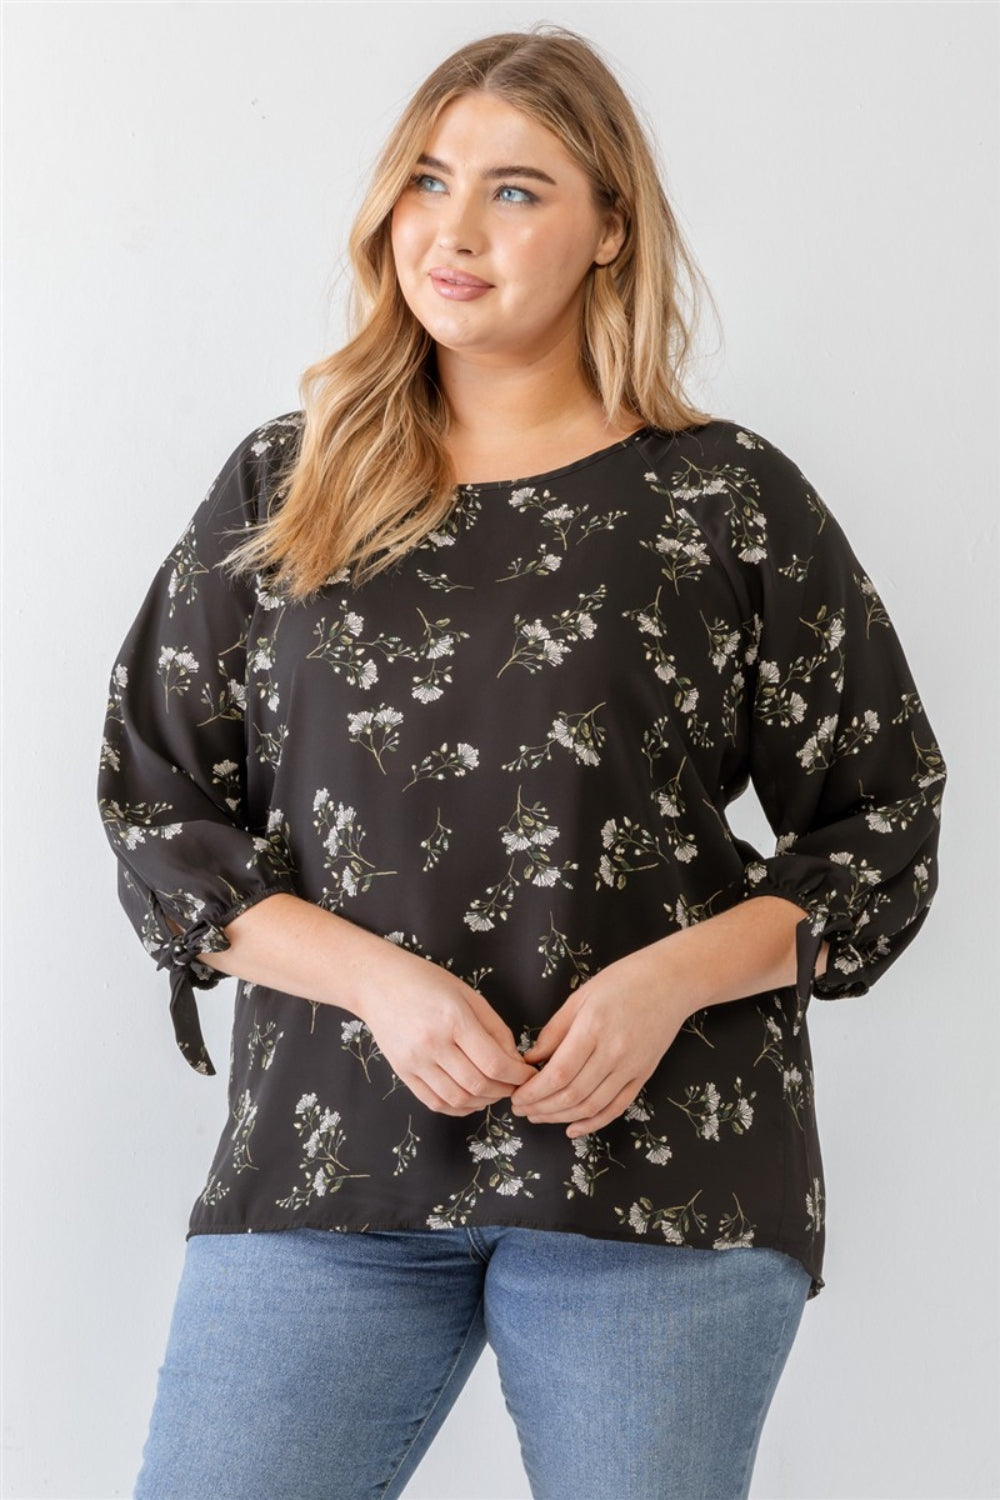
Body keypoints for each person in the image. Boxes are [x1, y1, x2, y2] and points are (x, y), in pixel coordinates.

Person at [97, 24, 948, 1500]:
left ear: (611, 226)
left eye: (514, 190)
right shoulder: (284, 486)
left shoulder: (723, 499)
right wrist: (378, 981)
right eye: (428, 180)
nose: (454, 227)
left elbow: (882, 824)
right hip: (329, 1167)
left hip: (660, 1184)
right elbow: (159, 809)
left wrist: (668, 979)